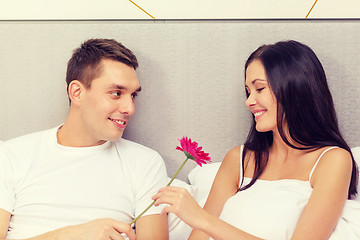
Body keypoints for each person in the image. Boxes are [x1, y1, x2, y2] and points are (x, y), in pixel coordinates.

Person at [152, 40, 360, 239]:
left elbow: (204, 223)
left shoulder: (333, 160)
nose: (249, 101)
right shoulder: (238, 159)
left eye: (259, 89)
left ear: (295, 88)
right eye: (247, 91)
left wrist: (202, 219)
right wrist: (202, 221)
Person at [0, 38, 169, 240]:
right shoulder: (11, 156)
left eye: (133, 95)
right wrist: (74, 234)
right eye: (116, 93)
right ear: (77, 92)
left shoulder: (145, 163)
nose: (129, 109)